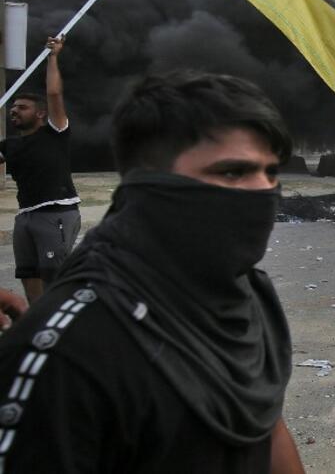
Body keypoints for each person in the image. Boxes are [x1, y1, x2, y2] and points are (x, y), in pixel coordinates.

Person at [0, 71, 304, 473]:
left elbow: (266, 427)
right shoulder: (72, 350)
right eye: (233, 172)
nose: (264, 191)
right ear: (151, 184)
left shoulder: (249, 293)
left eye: (270, 172)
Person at [0, 36, 81, 303]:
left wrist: (53, 57)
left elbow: (54, 94)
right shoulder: (9, 146)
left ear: (40, 115)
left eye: (22, 108)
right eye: (12, 107)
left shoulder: (55, 133)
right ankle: (35, 324)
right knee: (28, 274)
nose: (14, 111)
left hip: (56, 212)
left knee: (53, 274)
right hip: (25, 216)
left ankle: (63, 326)